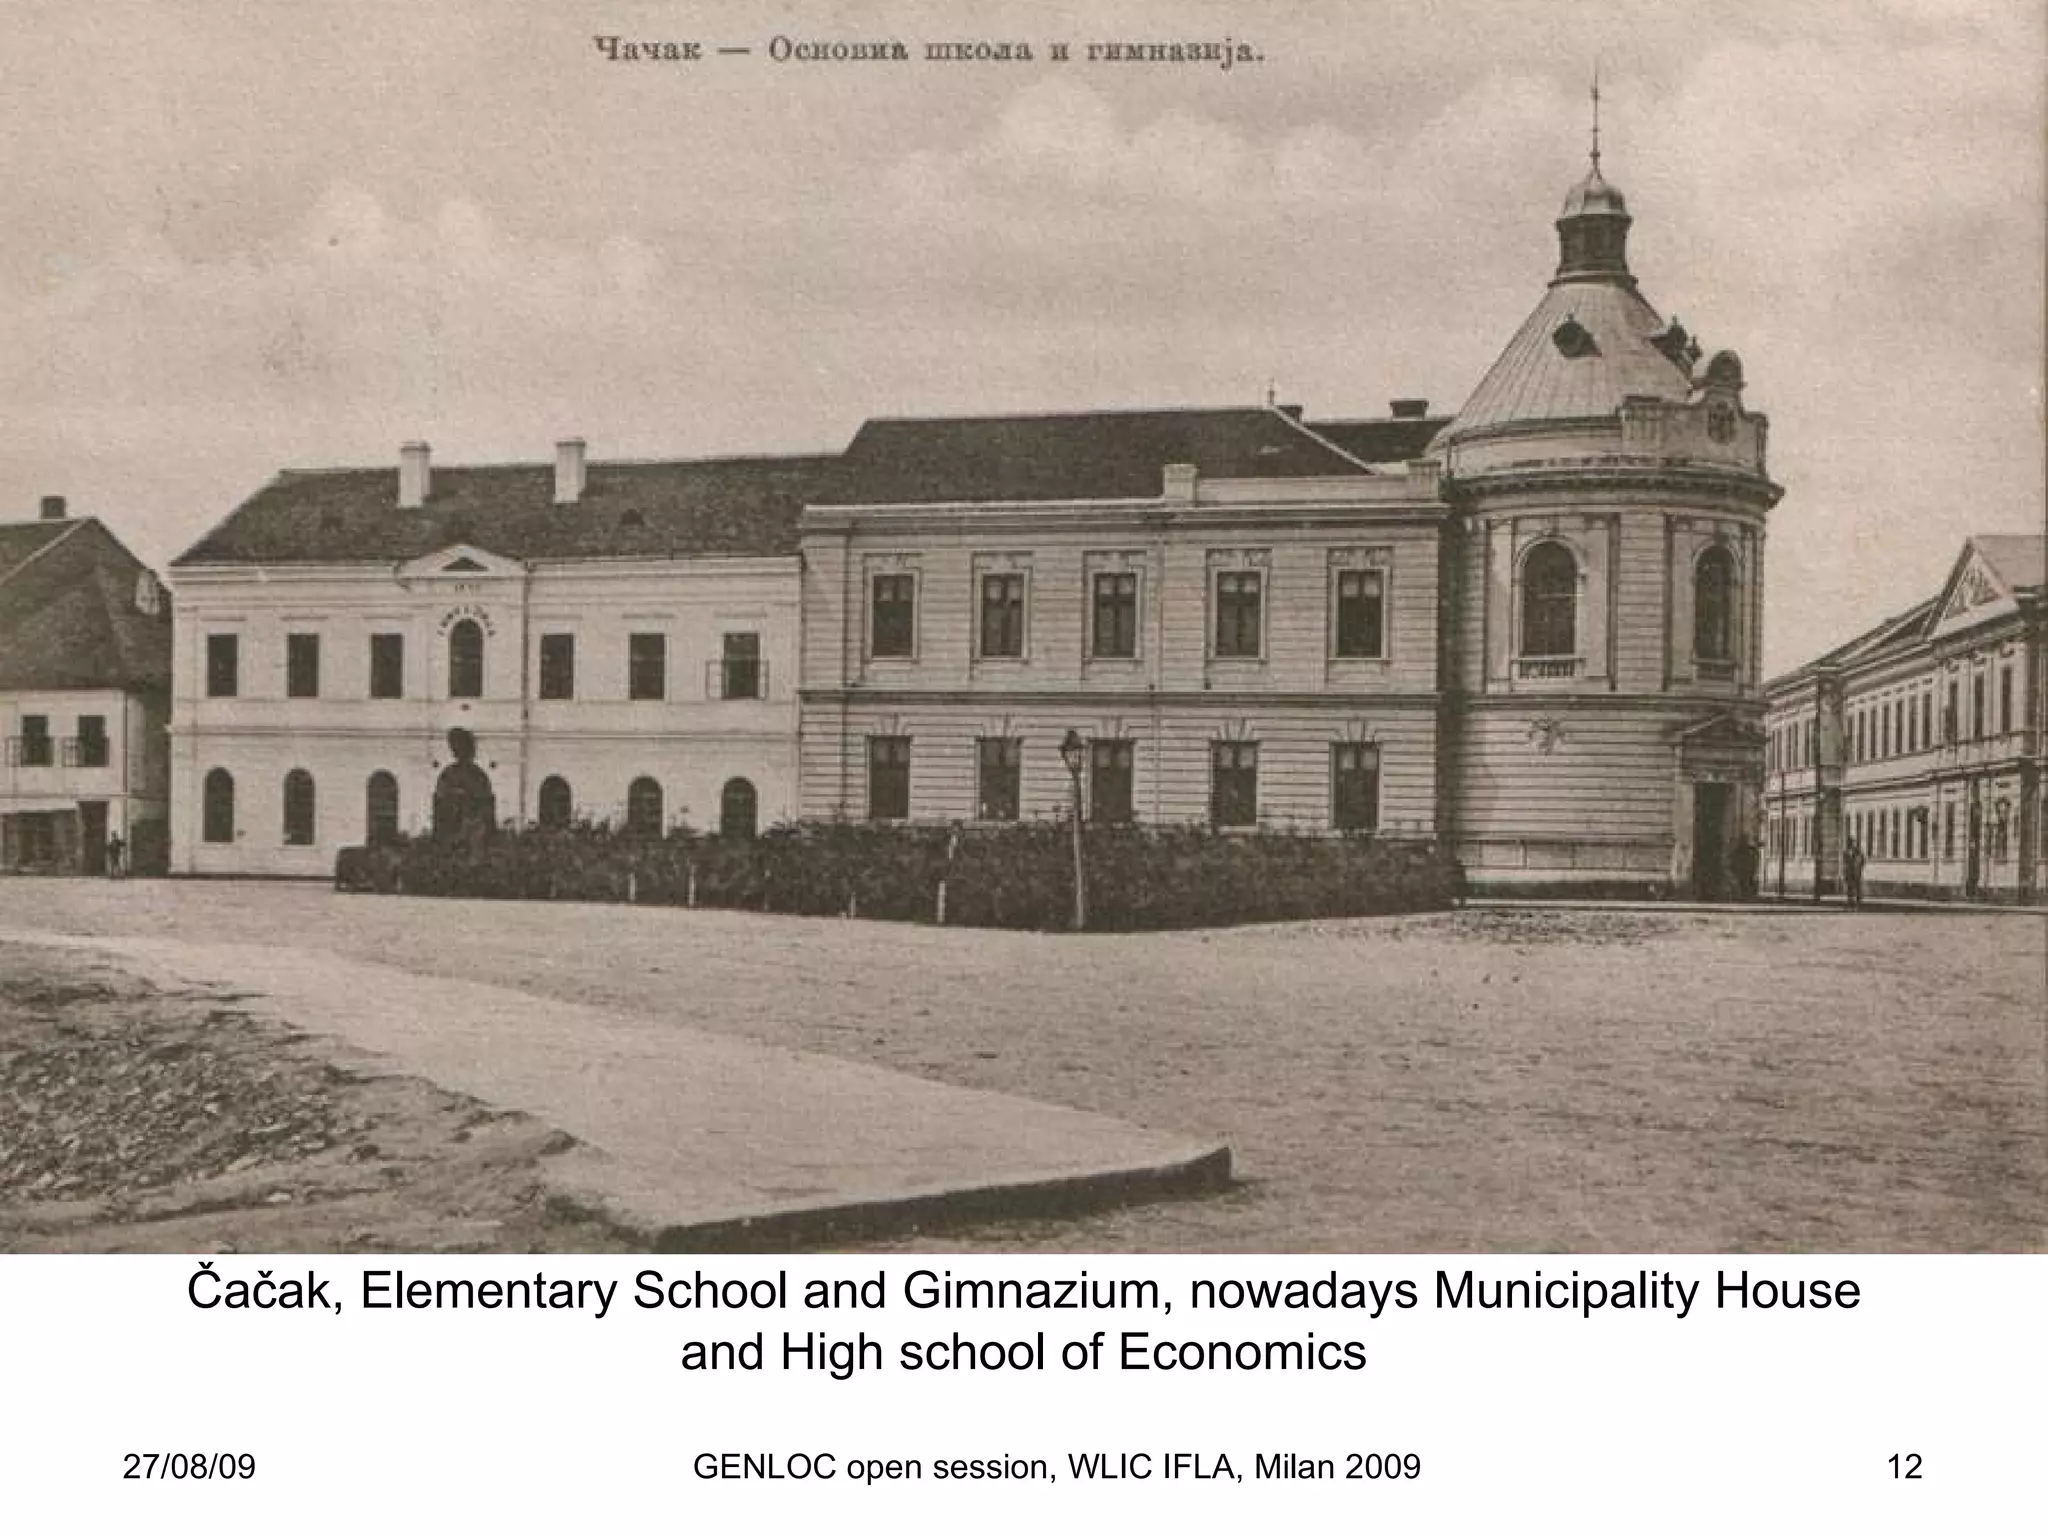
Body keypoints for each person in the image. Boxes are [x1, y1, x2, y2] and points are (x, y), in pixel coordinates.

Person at [1841, 835, 1865, 910]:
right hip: (1849, 873)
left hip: (1857, 873)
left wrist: (1860, 868)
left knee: (1858, 889)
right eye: (1850, 842)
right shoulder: (1846, 852)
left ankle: (1858, 905)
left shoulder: (1858, 851)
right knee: (1850, 890)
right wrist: (1845, 872)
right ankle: (1850, 904)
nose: (1852, 843)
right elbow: (1845, 863)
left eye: (1853, 842)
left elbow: (1863, 860)